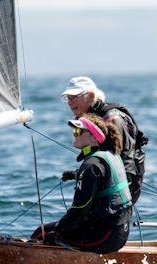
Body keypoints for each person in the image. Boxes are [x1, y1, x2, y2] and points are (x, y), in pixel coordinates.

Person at [31, 115, 133, 254]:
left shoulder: (91, 165)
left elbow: (79, 211)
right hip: (120, 232)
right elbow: (104, 179)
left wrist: (57, 231)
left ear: (94, 137)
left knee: (41, 232)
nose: (75, 134)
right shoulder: (110, 155)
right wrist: (77, 175)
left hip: (105, 237)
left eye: (78, 132)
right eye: (74, 132)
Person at [60, 76, 147, 204]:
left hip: (122, 188)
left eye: (73, 97)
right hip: (110, 185)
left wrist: (121, 197)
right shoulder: (92, 119)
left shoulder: (113, 118)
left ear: (90, 96)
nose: (69, 102)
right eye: (67, 98)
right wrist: (79, 174)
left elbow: (122, 161)